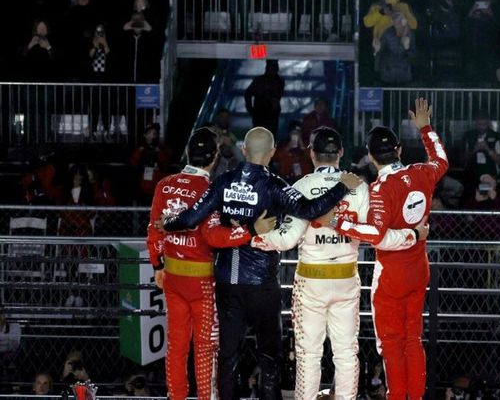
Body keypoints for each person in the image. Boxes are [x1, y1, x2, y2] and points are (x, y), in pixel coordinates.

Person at [161, 127, 363, 400]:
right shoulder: (276, 185)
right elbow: (313, 211)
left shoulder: (223, 181)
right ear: (271, 153)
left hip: (228, 282)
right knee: (269, 357)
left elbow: (190, 219)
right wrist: (343, 186)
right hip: (262, 284)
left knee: (228, 357)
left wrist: (168, 224)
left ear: (244, 151)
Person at [252, 127, 423, 400]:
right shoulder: (359, 187)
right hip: (346, 280)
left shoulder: (302, 187)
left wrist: (254, 238)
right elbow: (380, 238)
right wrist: (412, 235)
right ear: (341, 153)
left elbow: (287, 240)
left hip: (310, 281)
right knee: (346, 353)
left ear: (311, 153)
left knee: (309, 354)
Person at [146, 128, 278, 400]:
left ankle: (176, 397)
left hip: (172, 277)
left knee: (177, 345)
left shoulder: (164, 185)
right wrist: (250, 230)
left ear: (187, 153)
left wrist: (157, 265)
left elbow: (154, 230)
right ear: (215, 157)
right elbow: (213, 237)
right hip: (202, 282)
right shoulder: (210, 189)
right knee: (206, 347)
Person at [330, 99, 448, 400]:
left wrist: (338, 222)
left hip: (392, 277)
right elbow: (441, 159)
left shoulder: (380, 190)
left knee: (392, 343)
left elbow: (377, 235)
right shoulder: (423, 172)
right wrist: (425, 128)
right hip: (419, 270)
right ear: (399, 150)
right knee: (414, 339)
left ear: (371, 157)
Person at [244, 60, 285, 135]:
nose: (274, 69)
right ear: (267, 68)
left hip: (272, 115)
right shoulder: (259, 80)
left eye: (275, 67)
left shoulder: (279, 81)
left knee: (270, 137)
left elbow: (278, 96)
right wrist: (250, 109)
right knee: (260, 137)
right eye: (272, 67)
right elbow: (248, 94)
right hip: (260, 115)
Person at [462, 111, 500, 178]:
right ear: (475, 123)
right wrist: (474, 150)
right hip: (471, 173)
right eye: (479, 124)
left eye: (484, 124)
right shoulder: (468, 136)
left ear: (488, 123)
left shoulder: (496, 136)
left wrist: (488, 149)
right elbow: (462, 159)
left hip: (490, 173)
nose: (481, 127)